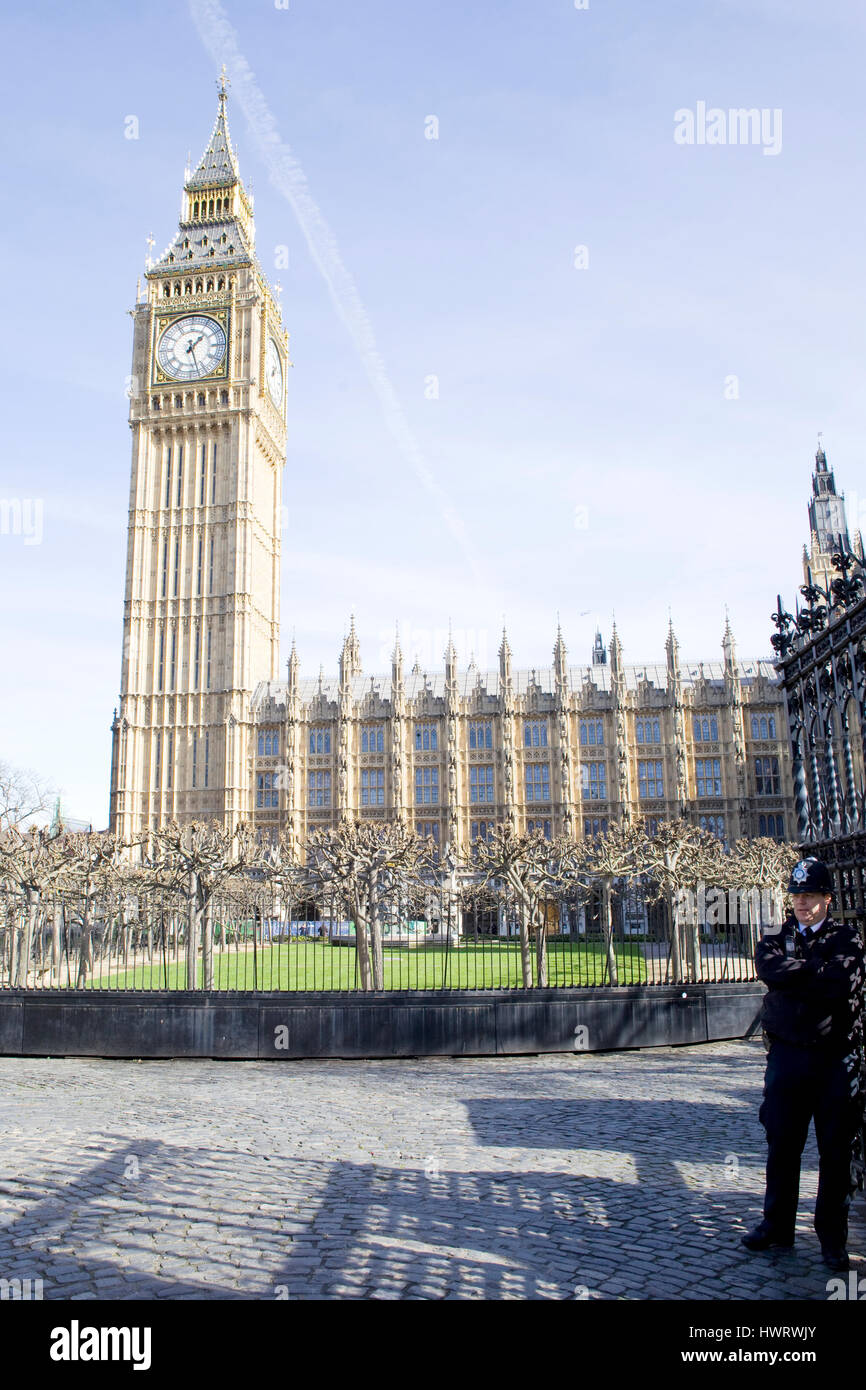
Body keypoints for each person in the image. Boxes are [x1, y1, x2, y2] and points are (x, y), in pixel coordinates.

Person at [742, 857, 865, 1271]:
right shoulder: (775, 936)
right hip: (788, 1056)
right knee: (782, 1145)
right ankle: (777, 1224)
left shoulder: (847, 938)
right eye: (797, 896)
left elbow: (841, 984)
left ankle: (832, 1237)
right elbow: (770, 970)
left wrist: (798, 978)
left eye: (810, 895)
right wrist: (815, 974)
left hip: (832, 1058)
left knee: (834, 1151)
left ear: (827, 898)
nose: (802, 903)